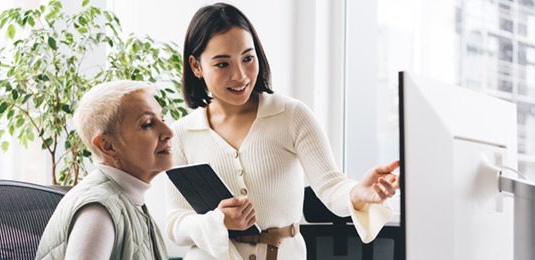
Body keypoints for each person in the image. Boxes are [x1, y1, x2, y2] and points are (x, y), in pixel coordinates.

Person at [165, 3, 400, 260]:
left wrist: (358, 193)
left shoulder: (292, 115)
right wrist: (217, 221)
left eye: (247, 58)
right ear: (196, 66)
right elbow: (176, 223)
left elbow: (331, 189)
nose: (240, 75)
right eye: (223, 64)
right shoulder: (181, 134)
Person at [36, 80, 172, 260]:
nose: (169, 131)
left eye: (161, 118)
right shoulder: (98, 212)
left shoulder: (132, 202)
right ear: (107, 146)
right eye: (147, 124)